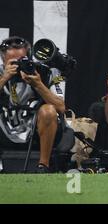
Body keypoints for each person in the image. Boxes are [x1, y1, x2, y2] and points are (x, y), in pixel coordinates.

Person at [0, 36, 66, 173]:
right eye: (13, 62)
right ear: (3, 61)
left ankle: (43, 167)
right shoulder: (1, 73)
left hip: (35, 125)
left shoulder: (46, 71)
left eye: (22, 61)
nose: (18, 66)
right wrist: (4, 78)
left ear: (29, 57)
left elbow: (61, 107)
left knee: (48, 110)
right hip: (6, 124)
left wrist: (38, 84)